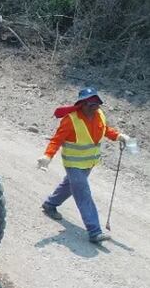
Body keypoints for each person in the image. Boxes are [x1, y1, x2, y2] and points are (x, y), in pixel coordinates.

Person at [36, 87, 132, 243]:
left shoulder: (99, 114)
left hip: (89, 163)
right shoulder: (70, 120)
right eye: (91, 104)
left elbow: (105, 130)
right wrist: (47, 156)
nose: (95, 107)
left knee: (69, 185)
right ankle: (95, 231)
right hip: (73, 164)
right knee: (83, 193)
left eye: (97, 103)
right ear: (82, 104)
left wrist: (118, 136)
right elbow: (56, 140)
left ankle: (50, 204)